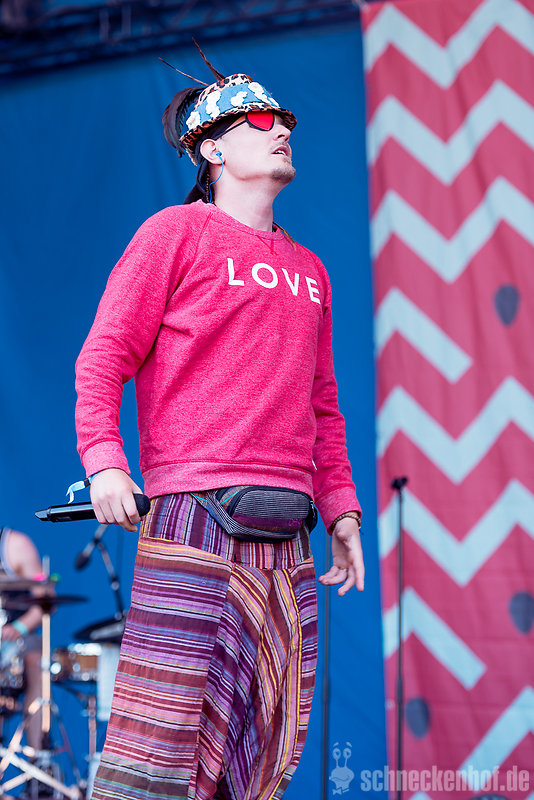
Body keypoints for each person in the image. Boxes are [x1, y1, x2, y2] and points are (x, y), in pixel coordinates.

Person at [75, 60, 364, 800]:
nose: (281, 132)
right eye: (261, 121)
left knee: (265, 747)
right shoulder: (174, 233)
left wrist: (342, 509)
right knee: (160, 746)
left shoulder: (310, 269)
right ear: (213, 148)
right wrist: (105, 460)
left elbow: (323, 406)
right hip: (195, 513)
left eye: (286, 122)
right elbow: (104, 356)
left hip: (290, 529)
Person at [0, 526, 43, 751]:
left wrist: (17, 627)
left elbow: (45, 600)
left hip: (15, 640)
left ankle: (38, 756)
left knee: (37, 657)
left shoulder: (15, 545)